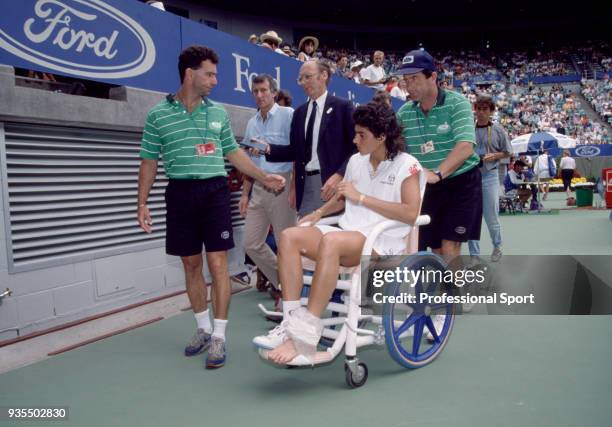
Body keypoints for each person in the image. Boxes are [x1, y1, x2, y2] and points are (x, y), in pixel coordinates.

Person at [137, 46, 285, 369]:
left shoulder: (217, 113)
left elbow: (234, 153)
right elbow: (148, 161)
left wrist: (263, 177)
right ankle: (202, 329)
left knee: (218, 264)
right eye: (210, 74)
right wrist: (142, 203)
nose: (215, 80)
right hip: (179, 192)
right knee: (191, 264)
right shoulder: (157, 115)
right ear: (190, 74)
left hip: (214, 191)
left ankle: (219, 336)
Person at [252, 102, 423, 364]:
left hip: (381, 241)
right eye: (355, 133)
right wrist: (319, 214)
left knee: (331, 241)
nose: (354, 140)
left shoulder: (407, 164)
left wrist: (362, 198)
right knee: (290, 236)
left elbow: (411, 213)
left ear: (381, 136)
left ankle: (305, 332)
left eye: (361, 135)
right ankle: (290, 322)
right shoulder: (356, 161)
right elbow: (343, 198)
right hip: (348, 232)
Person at [396, 50, 481, 264]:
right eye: (406, 80)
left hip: (461, 181)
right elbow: (392, 147)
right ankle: (440, 293)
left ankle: (455, 296)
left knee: (450, 245)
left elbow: (465, 147)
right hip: (427, 185)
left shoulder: (457, 103)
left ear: (432, 76)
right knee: (434, 247)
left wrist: (438, 173)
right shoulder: (405, 112)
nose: (409, 85)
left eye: (414, 78)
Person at [257, 59, 356, 217]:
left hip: (333, 186)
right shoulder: (299, 113)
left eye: (307, 77)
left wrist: (340, 174)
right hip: (306, 186)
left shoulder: (342, 107)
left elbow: (357, 148)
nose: (303, 82)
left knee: (330, 236)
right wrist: (265, 149)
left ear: (323, 75)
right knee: (305, 235)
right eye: (300, 79)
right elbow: (294, 151)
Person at [239, 74, 297, 294]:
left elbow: (297, 155)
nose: (260, 95)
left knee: (286, 245)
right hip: (259, 187)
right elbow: (247, 162)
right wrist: (245, 195)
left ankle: (289, 293)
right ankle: (286, 283)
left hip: (282, 186)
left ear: (274, 92)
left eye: (264, 90)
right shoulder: (251, 122)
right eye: (256, 91)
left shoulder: (288, 115)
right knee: (251, 244)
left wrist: (293, 188)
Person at [467, 95, 512, 262]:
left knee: (491, 215)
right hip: (471, 176)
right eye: (478, 109)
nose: (481, 112)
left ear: (491, 111)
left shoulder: (498, 129)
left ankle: (497, 246)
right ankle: (474, 255)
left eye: (485, 109)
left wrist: (494, 156)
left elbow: (508, 152)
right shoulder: (468, 128)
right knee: (472, 217)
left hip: (490, 175)